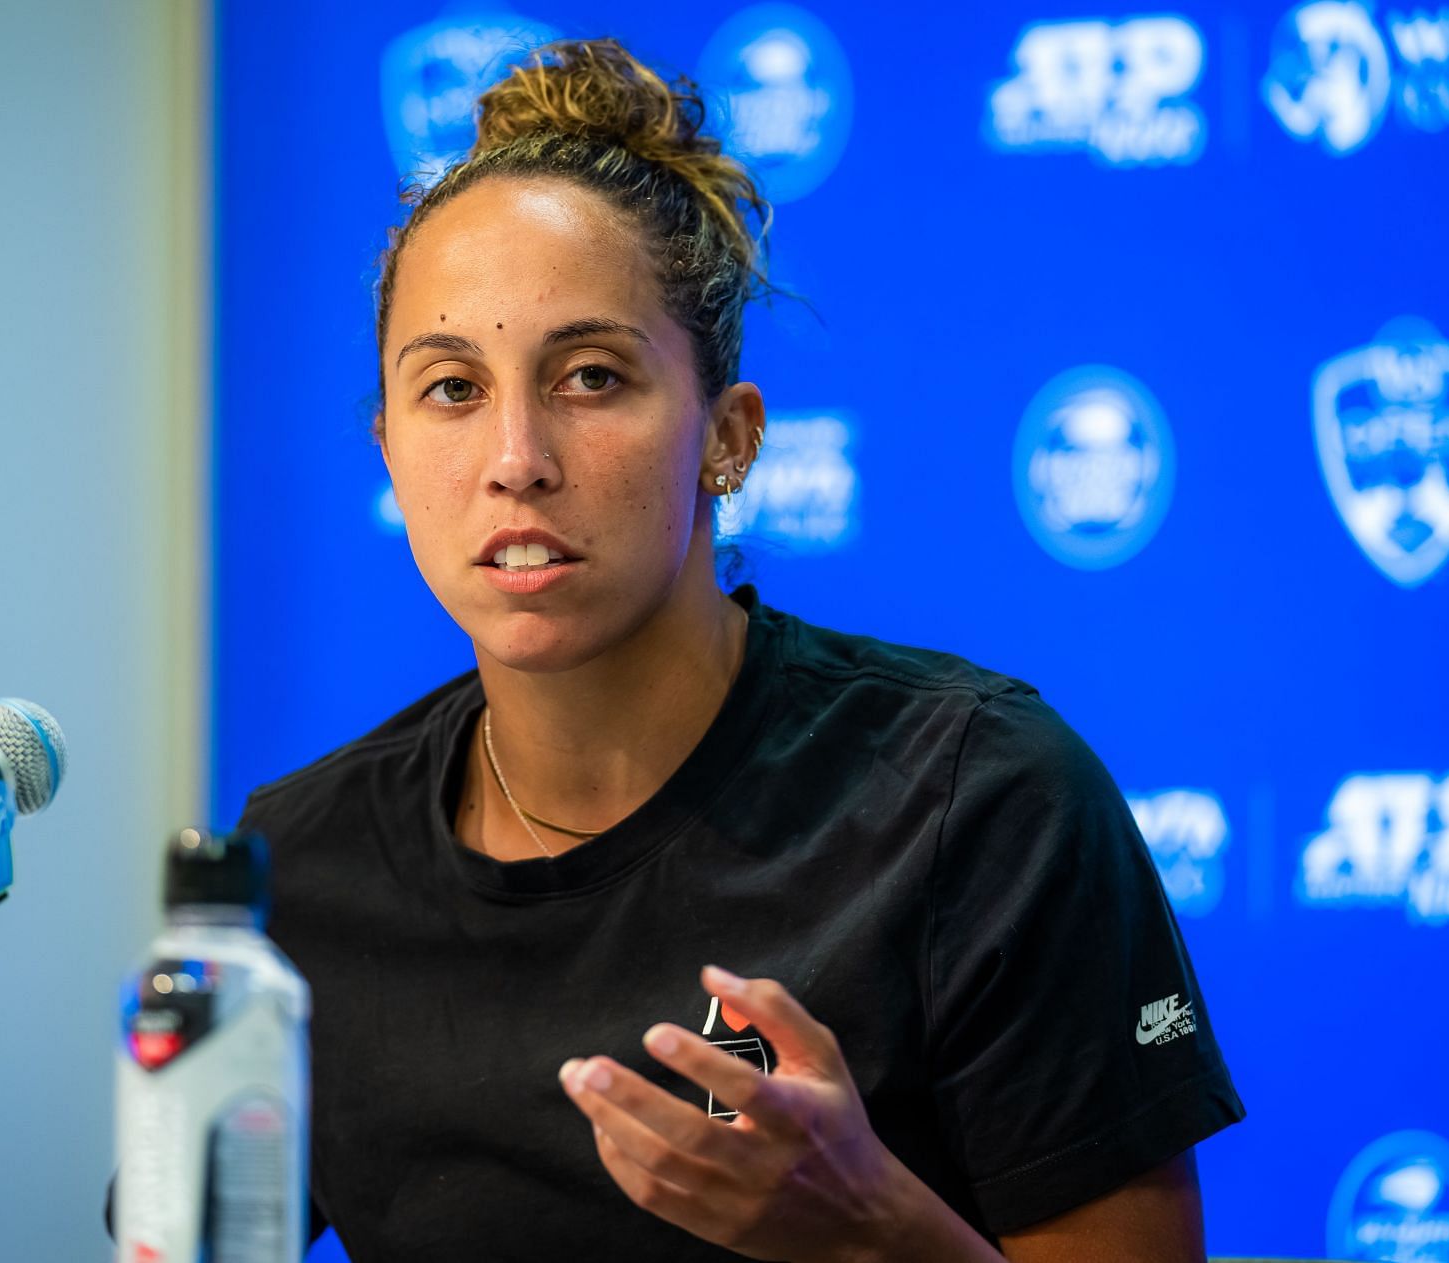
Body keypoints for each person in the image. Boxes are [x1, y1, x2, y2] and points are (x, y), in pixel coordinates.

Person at [239, 38, 1243, 1262]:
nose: (516, 457)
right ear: (389, 446)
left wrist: (875, 1232)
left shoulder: (983, 800)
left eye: (591, 376)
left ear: (729, 437)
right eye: (452, 389)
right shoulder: (302, 863)